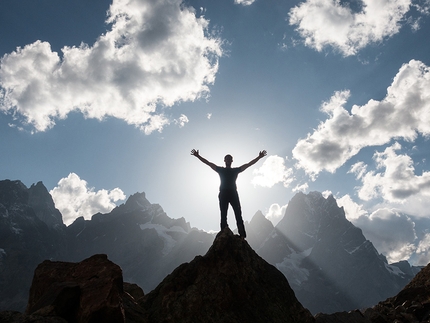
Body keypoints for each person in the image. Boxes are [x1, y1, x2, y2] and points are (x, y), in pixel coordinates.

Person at [191, 149, 267, 238]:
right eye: (227, 159)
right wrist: (198, 156)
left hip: (233, 193)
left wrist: (259, 157)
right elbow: (208, 163)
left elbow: (249, 164)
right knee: (223, 213)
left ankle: (242, 235)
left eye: (229, 159)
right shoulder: (220, 170)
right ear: (224, 160)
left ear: (232, 161)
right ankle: (224, 231)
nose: (228, 160)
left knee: (238, 213)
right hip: (223, 193)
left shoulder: (235, 170)